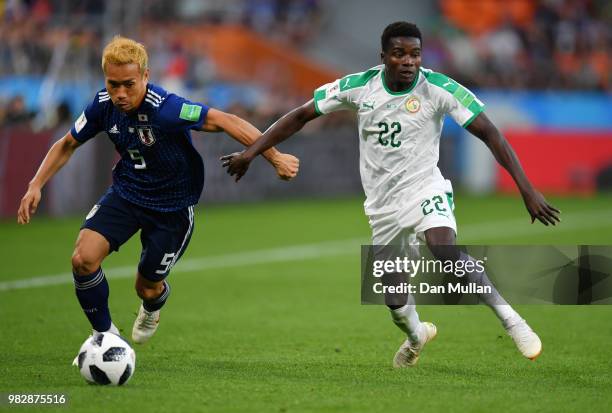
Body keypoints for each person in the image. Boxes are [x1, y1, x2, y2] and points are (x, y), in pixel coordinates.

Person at [222, 22, 561, 367]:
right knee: (395, 302)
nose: (408, 61)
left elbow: (490, 133)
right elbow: (300, 116)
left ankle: (513, 321)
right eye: (399, 53)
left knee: (445, 249)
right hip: (382, 207)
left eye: (415, 54)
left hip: (425, 187)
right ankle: (416, 336)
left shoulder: (439, 89)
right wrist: (252, 152)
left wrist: (527, 189)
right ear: (383, 56)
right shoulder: (359, 87)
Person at [17, 36, 299, 347]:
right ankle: (106, 336)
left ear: (146, 77)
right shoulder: (101, 106)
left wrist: (274, 157)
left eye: (129, 84)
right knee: (83, 259)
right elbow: (67, 143)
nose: (120, 94)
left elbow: (225, 120)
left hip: (172, 207)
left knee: (146, 287)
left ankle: (153, 306)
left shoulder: (167, 109)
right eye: (113, 84)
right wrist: (35, 184)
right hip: (127, 193)